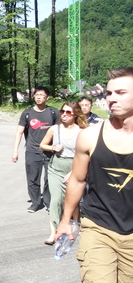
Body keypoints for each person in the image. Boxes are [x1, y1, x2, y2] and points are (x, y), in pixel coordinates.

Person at [55, 67, 133, 283]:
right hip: (98, 226)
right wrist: (66, 221)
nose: (110, 98)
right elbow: (76, 180)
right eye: (109, 93)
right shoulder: (90, 136)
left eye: (120, 93)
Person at [39, 101, 87, 245]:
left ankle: (75, 226)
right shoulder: (55, 129)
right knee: (56, 201)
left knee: (74, 201)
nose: (64, 115)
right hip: (56, 168)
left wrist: (73, 172)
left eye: (68, 112)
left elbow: (86, 154)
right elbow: (42, 144)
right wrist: (53, 147)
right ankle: (53, 232)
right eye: (62, 111)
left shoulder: (82, 132)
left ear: (75, 115)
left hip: (75, 167)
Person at [12, 87, 59, 212]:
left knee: (50, 179)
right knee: (32, 179)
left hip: (50, 151)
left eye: (41, 95)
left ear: (47, 97)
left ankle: (48, 203)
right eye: (36, 95)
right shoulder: (27, 113)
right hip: (32, 151)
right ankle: (35, 202)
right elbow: (19, 132)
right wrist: (15, 151)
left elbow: (61, 131)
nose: (38, 97)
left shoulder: (53, 112)